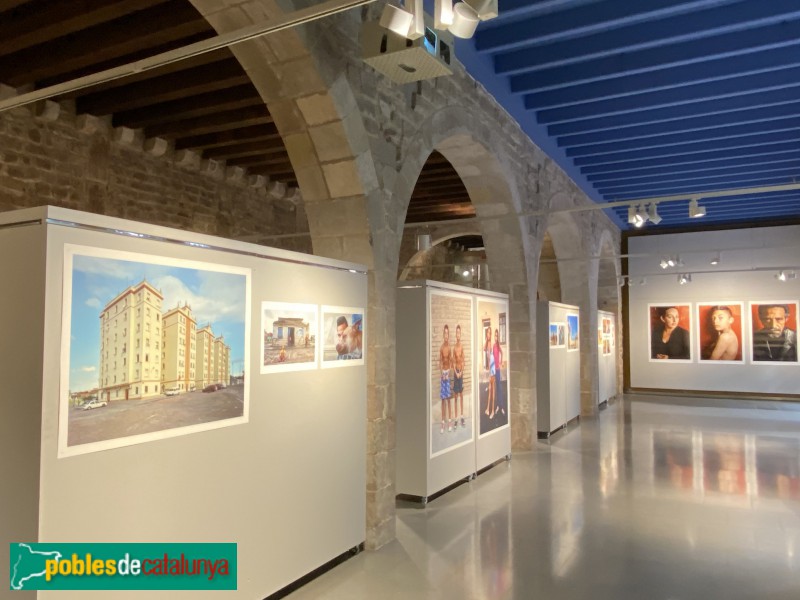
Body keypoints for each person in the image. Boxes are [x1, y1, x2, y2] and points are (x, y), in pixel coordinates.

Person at [439, 324, 453, 434]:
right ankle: (442, 422)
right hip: (442, 375)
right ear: (443, 335)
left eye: (447, 333)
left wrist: (448, 372)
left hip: (447, 375)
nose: (446, 335)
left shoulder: (449, 348)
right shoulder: (441, 348)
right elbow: (440, 361)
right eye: (445, 333)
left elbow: (451, 362)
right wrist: (441, 372)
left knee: (448, 399)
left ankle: (449, 422)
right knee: (443, 400)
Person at [452, 324, 466, 429]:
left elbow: (464, 361)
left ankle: (462, 416)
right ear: (455, 334)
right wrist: (455, 372)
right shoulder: (454, 348)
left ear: (460, 334)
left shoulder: (461, 347)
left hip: (460, 373)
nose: (458, 334)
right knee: (455, 396)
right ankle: (456, 419)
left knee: (461, 395)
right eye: (456, 332)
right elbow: (453, 362)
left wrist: (461, 372)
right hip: (455, 372)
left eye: (459, 333)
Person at [492, 328, 505, 418]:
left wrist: (501, 362)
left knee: (500, 388)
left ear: (498, 337)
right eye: (495, 335)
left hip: (498, 369)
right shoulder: (493, 346)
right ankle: (497, 406)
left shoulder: (498, 345)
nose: (496, 337)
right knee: (496, 388)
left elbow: (502, 353)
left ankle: (502, 407)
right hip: (494, 369)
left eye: (497, 335)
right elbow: (493, 357)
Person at [483, 325, 495, 419]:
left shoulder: (491, 343)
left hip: (493, 368)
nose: (489, 334)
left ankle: (492, 411)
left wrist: (492, 370)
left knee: (492, 390)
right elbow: (484, 349)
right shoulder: (487, 343)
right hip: (490, 368)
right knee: (490, 390)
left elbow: (492, 357)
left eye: (490, 333)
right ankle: (488, 409)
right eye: (488, 333)